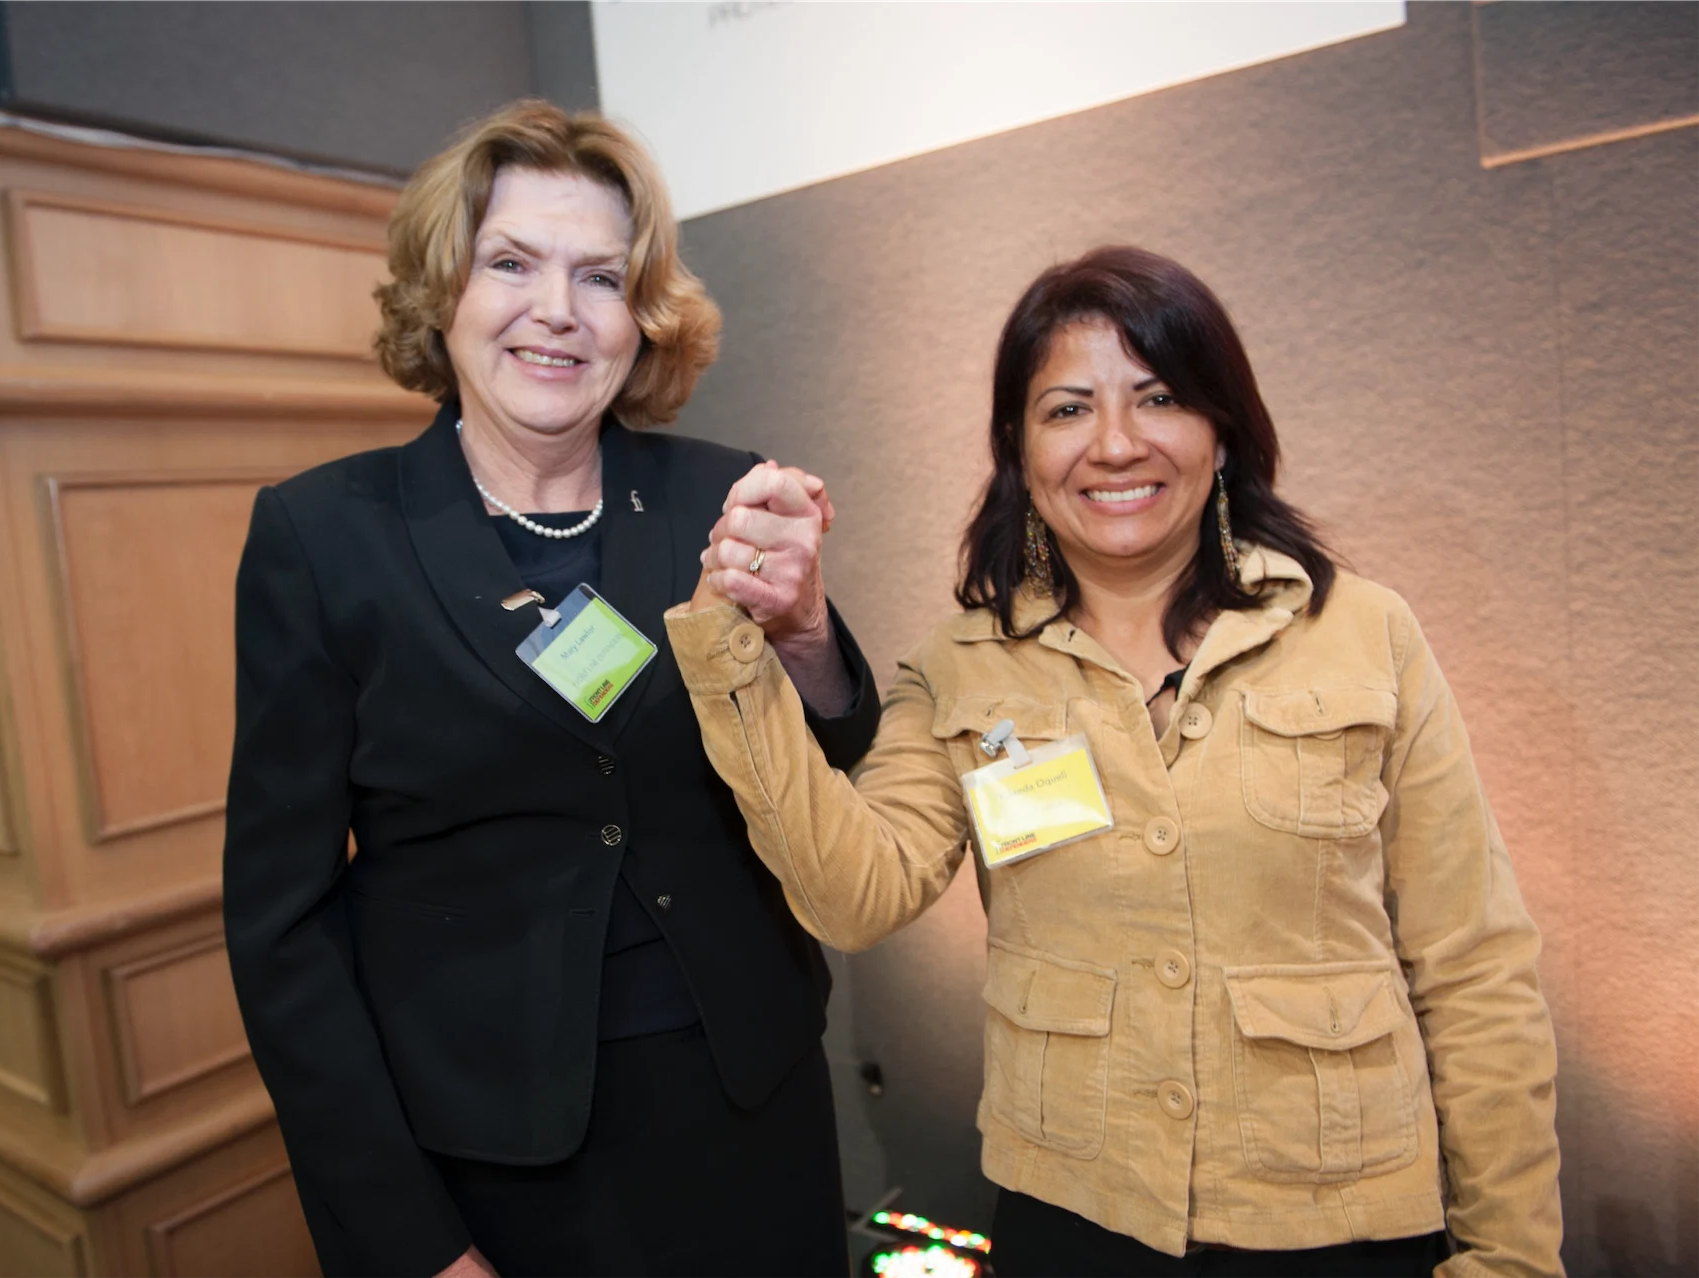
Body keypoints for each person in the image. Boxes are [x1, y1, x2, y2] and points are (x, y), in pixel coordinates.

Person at [668, 247, 1563, 1277]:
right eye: (1067, 410)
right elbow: (851, 896)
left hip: (1339, 1225)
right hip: (1077, 1222)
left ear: (1222, 433)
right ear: (1018, 448)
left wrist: (1512, 1254)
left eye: (1160, 397)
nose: (1117, 444)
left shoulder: (1365, 633)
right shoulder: (962, 667)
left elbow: (1475, 964)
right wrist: (737, 641)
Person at [222, 100, 880, 1278]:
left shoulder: (719, 495)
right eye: (511, 264)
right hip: (491, 1152)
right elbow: (282, 929)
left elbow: (833, 755)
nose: (556, 313)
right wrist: (408, 1239)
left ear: (642, 316)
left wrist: (807, 627)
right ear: (444, 293)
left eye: (599, 277)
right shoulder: (323, 537)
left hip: (749, 1104)